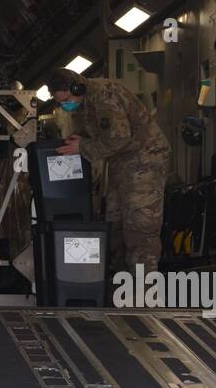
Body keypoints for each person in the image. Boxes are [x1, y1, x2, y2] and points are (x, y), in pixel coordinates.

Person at [48, 69, 169, 272]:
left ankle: (146, 291)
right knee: (114, 222)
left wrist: (83, 147)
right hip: (121, 162)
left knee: (139, 225)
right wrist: (80, 139)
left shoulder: (104, 96)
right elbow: (101, 133)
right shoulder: (85, 103)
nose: (66, 106)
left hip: (145, 160)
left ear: (78, 87)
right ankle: (119, 282)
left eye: (67, 99)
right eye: (60, 103)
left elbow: (119, 138)